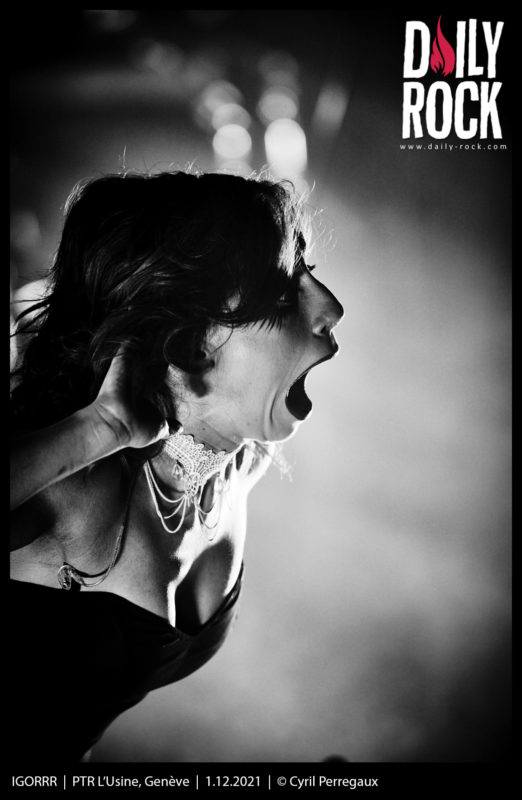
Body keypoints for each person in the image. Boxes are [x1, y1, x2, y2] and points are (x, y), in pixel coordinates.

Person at [9, 169, 343, 762]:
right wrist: (100, 429)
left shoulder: (239, 463)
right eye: (283, 291)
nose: (331, 309)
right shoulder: (68, 486)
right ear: (190, 346)